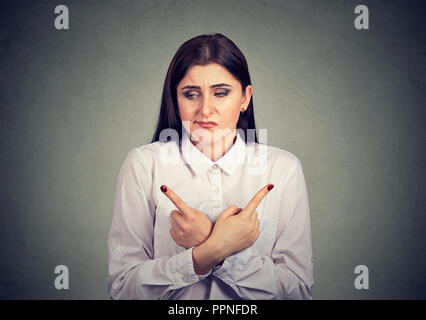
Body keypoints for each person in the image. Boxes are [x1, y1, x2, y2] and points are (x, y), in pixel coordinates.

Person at [107, 33, 314, 300]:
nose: (206, 110)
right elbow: (122, 289)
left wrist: (212, 247)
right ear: (175, 98)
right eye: (191, 94)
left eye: (221, 93)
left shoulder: (283, 169)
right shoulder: (143, 164)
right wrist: (208, 252)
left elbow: (297, 292)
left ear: (244, 98)